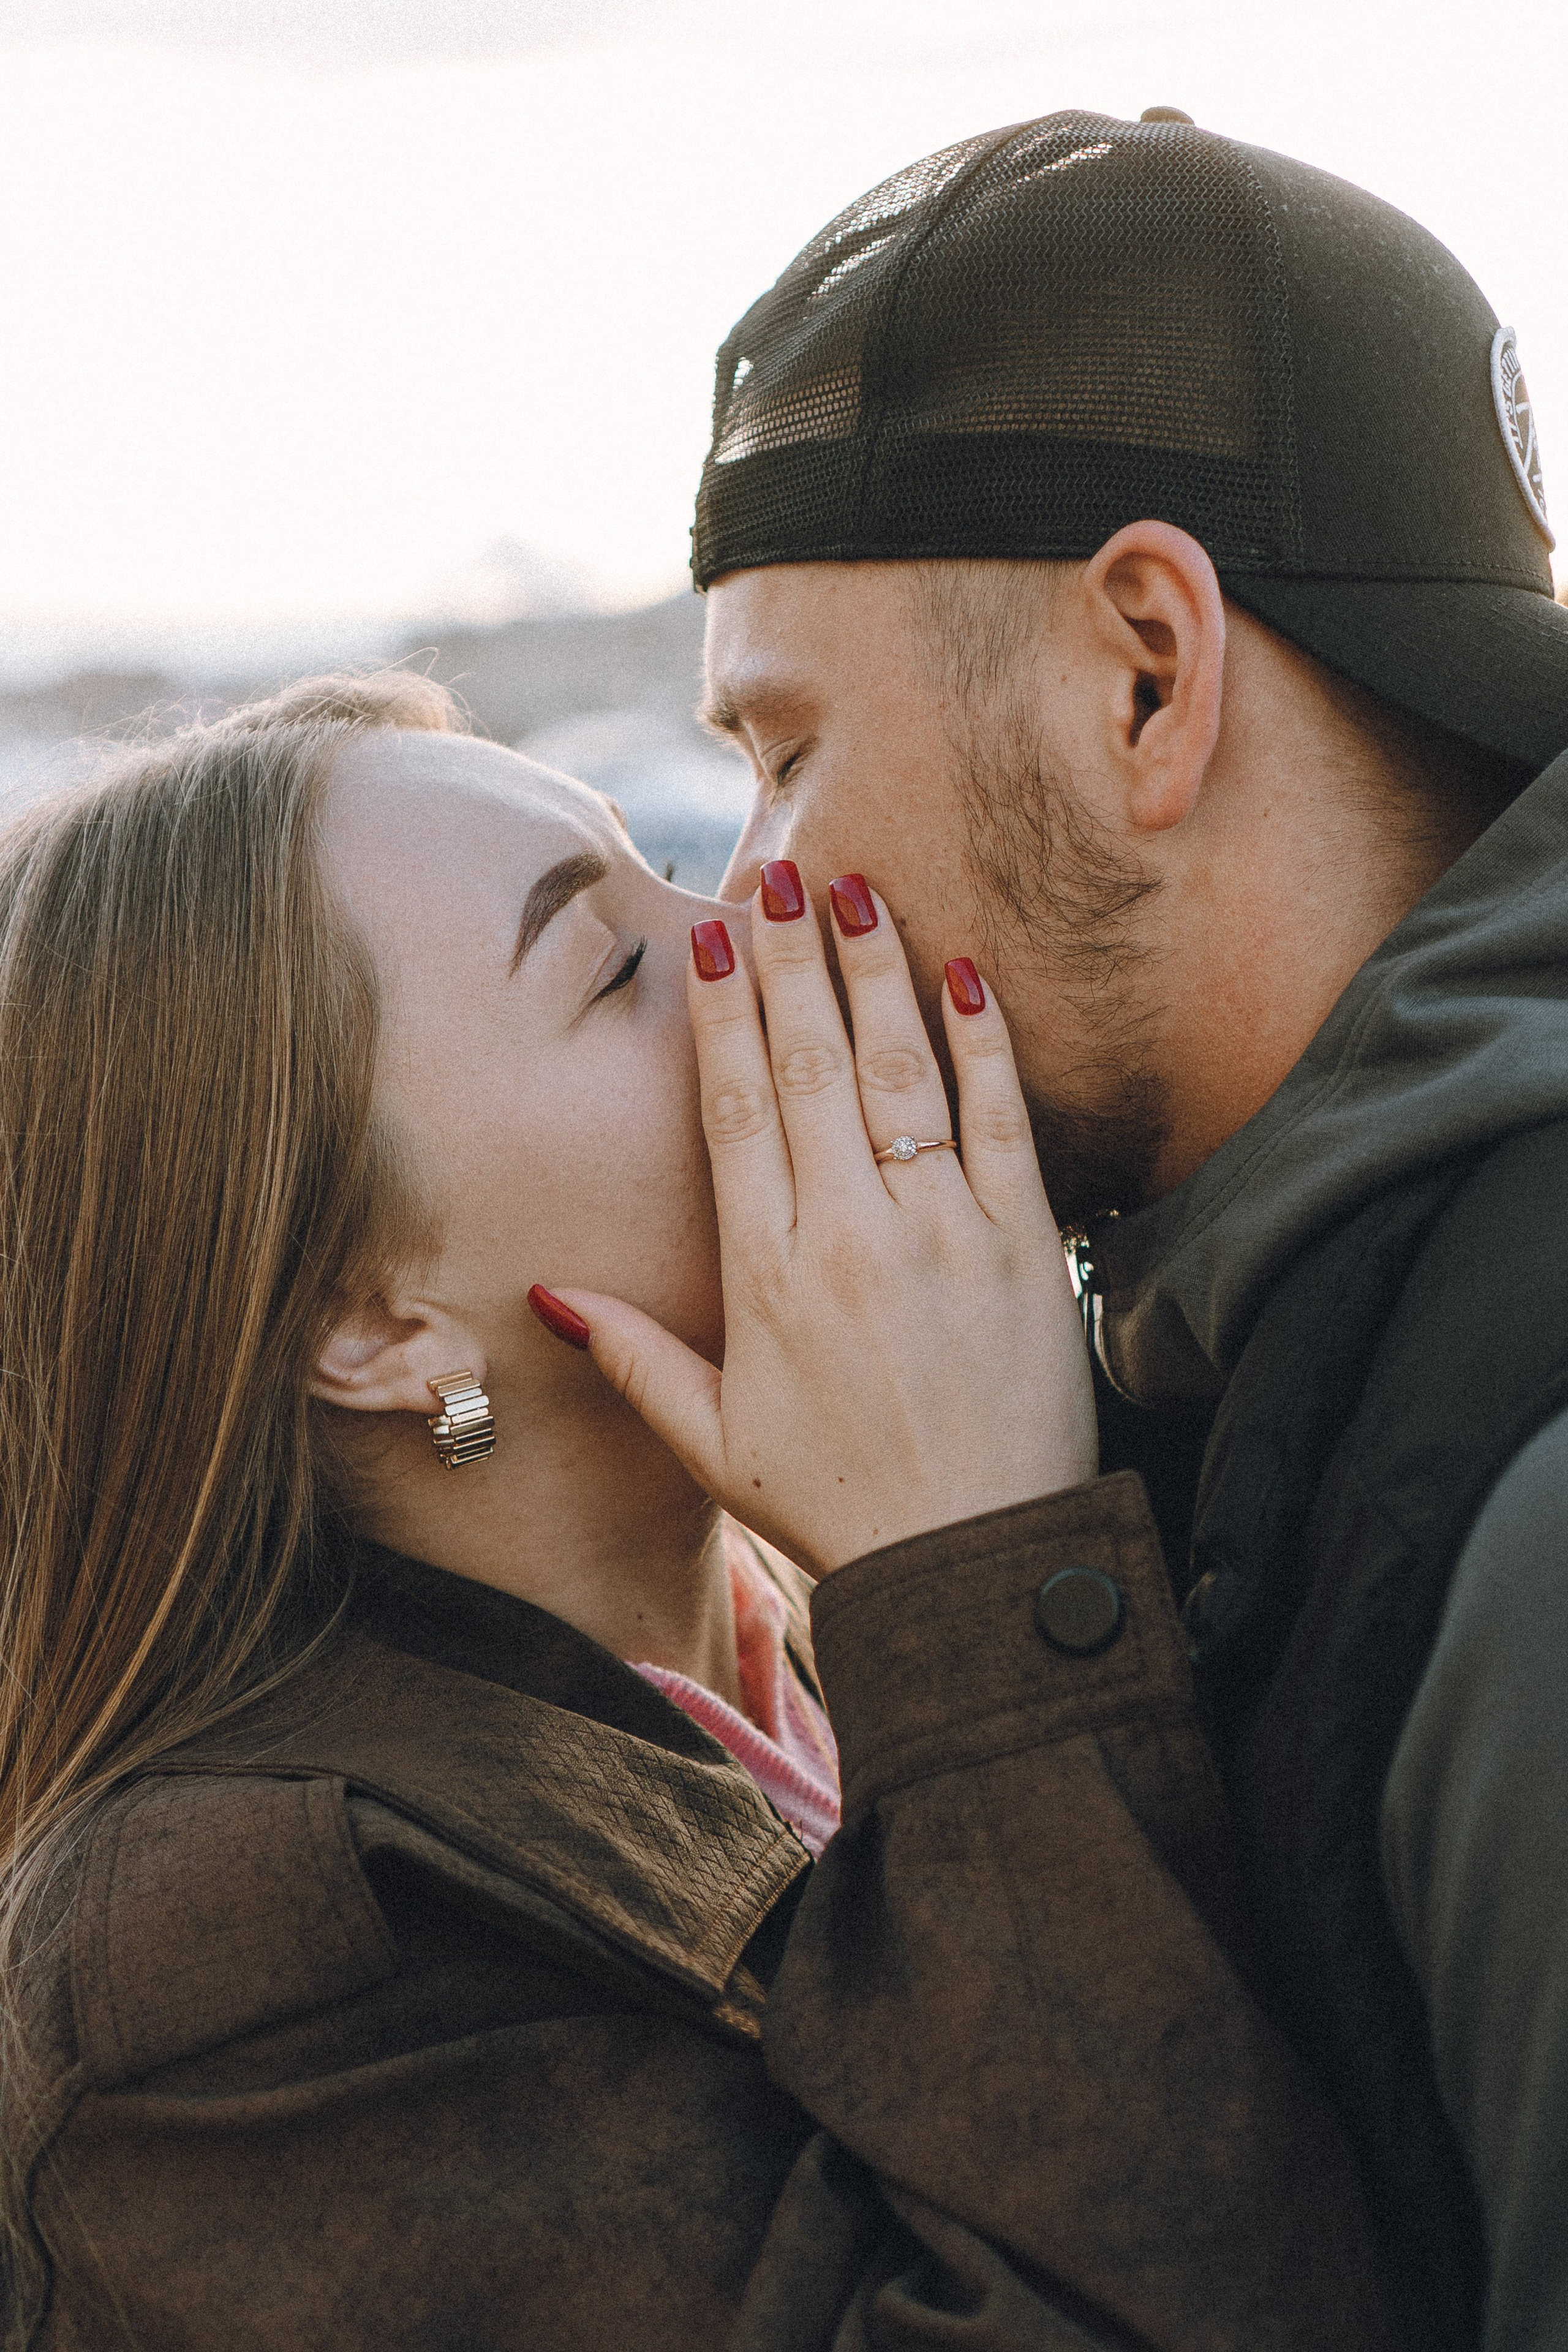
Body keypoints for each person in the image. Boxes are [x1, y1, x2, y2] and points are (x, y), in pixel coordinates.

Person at [0, 673, 1390, 2348]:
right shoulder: (219, 1972)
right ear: (365, 1327)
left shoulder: (807, 1610)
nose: (733, 916)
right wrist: (974, 1583)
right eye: (606, 963)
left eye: (655, 860)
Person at [575, 103, 1568, 2352]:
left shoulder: (1529, 1471)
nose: (743, 890)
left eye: (785, 746)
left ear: (1147, 672)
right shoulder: (1262, 1323)